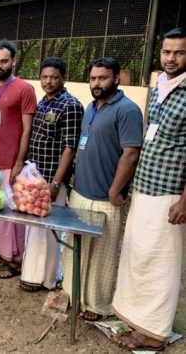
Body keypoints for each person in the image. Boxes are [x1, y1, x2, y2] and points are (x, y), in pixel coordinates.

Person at [111, 28, 186, 351]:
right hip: (144, 186)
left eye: (179, 53)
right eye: (167, 52)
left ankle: (155, 333)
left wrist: (185, 200)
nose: (171, 58)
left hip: (170, 191)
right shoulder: (157, 88)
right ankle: (138, 320)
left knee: (161, 262)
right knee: (138, 256)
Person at [62, 57, 143, 321]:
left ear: (117, 78)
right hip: (80, 192)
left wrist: (115, 190)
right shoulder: (90, 107)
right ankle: (74, 296)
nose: (97, 83)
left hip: (105, 198)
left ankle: (97, 304)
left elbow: (131, 153)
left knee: (102, 257)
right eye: (93, 78)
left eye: (103, 78)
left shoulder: (127, 110)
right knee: (76, 249)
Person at [19, 57, 83, 291]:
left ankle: (46, 278)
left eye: (54, 77)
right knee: (35, 226)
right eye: (44, 77)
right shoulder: (43, 102)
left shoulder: (70, 105)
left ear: (63, 77)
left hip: (53, 179)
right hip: (36, 177)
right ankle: (32, 274)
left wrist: (56, 182)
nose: (48, 81)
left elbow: (70, 146)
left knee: (50, 228)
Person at [0, 40, 37, 279]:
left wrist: (18, 162)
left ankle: (16, 259)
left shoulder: (24, 89)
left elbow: (27, 129)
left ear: (13, 61)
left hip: (13, 162)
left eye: (4, 61)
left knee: (14, 213)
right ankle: (3, 249)